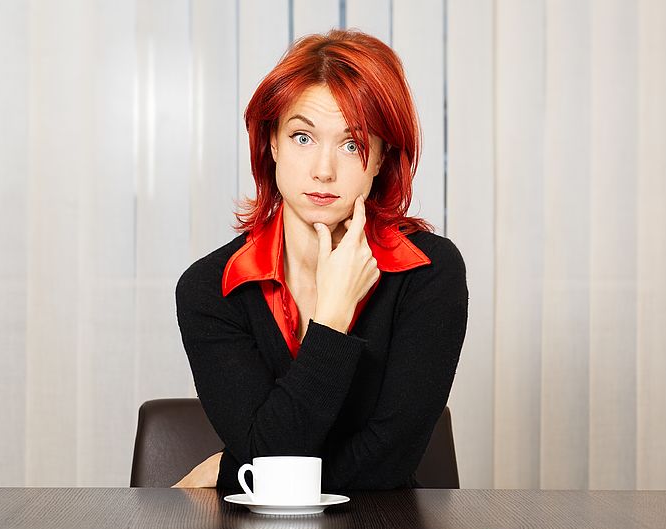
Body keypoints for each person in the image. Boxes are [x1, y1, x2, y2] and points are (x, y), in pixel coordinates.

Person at [173, 29, 468, 491]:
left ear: (381, 158)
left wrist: (230, 472)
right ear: (271, 143)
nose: (323, 170)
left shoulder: (428, 273)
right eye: (302, 137)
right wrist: (331, 322)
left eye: (352, 144)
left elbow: (387, 463)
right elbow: (267, 458)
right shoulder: (212, 288)